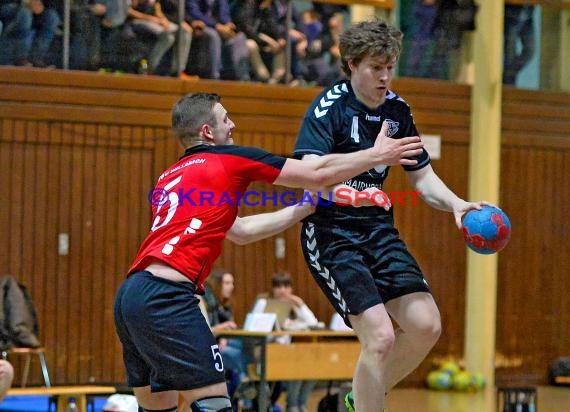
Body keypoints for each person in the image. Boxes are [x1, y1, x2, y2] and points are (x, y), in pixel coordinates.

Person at [113, 91, 425, 412]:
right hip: (167, 295)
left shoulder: (170, 178)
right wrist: (376, 155)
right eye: (225, 118)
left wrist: (303, 209)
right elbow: (315, 172)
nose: (232, 124)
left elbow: (241, 232)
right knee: (214, 404)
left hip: (131, 297)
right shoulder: (228, 158)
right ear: (207, 132)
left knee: (157, 407)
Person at [292, 18, 487, 412]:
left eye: (390, 67)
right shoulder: (328, 108)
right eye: (375, 68)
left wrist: (456, 204)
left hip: (378, 231)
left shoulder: (398, 111)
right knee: (380, 337)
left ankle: (359, 397)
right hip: (332, 234)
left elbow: (423, 177)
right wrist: (366, 167)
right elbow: (310, 175)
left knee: (425, 325)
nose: (385, 77)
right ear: (351, 64)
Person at [251, 272, 319, 412]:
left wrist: (299, 304)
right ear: (273, 289)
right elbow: (253, 329)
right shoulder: (263, 303)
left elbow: (313, 323)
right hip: (266, 349)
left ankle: (300, 403)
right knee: (296, 363)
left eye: (286, 286)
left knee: (313, 365)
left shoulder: (293, 305)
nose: (282, 290)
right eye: (278, 286)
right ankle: (292, 405)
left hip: (287, 352)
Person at [503, 4, 535, 85]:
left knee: (529, 52)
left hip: (527, 17)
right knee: (510, 55)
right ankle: (508, 86)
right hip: (511, 16)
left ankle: (506, 78)